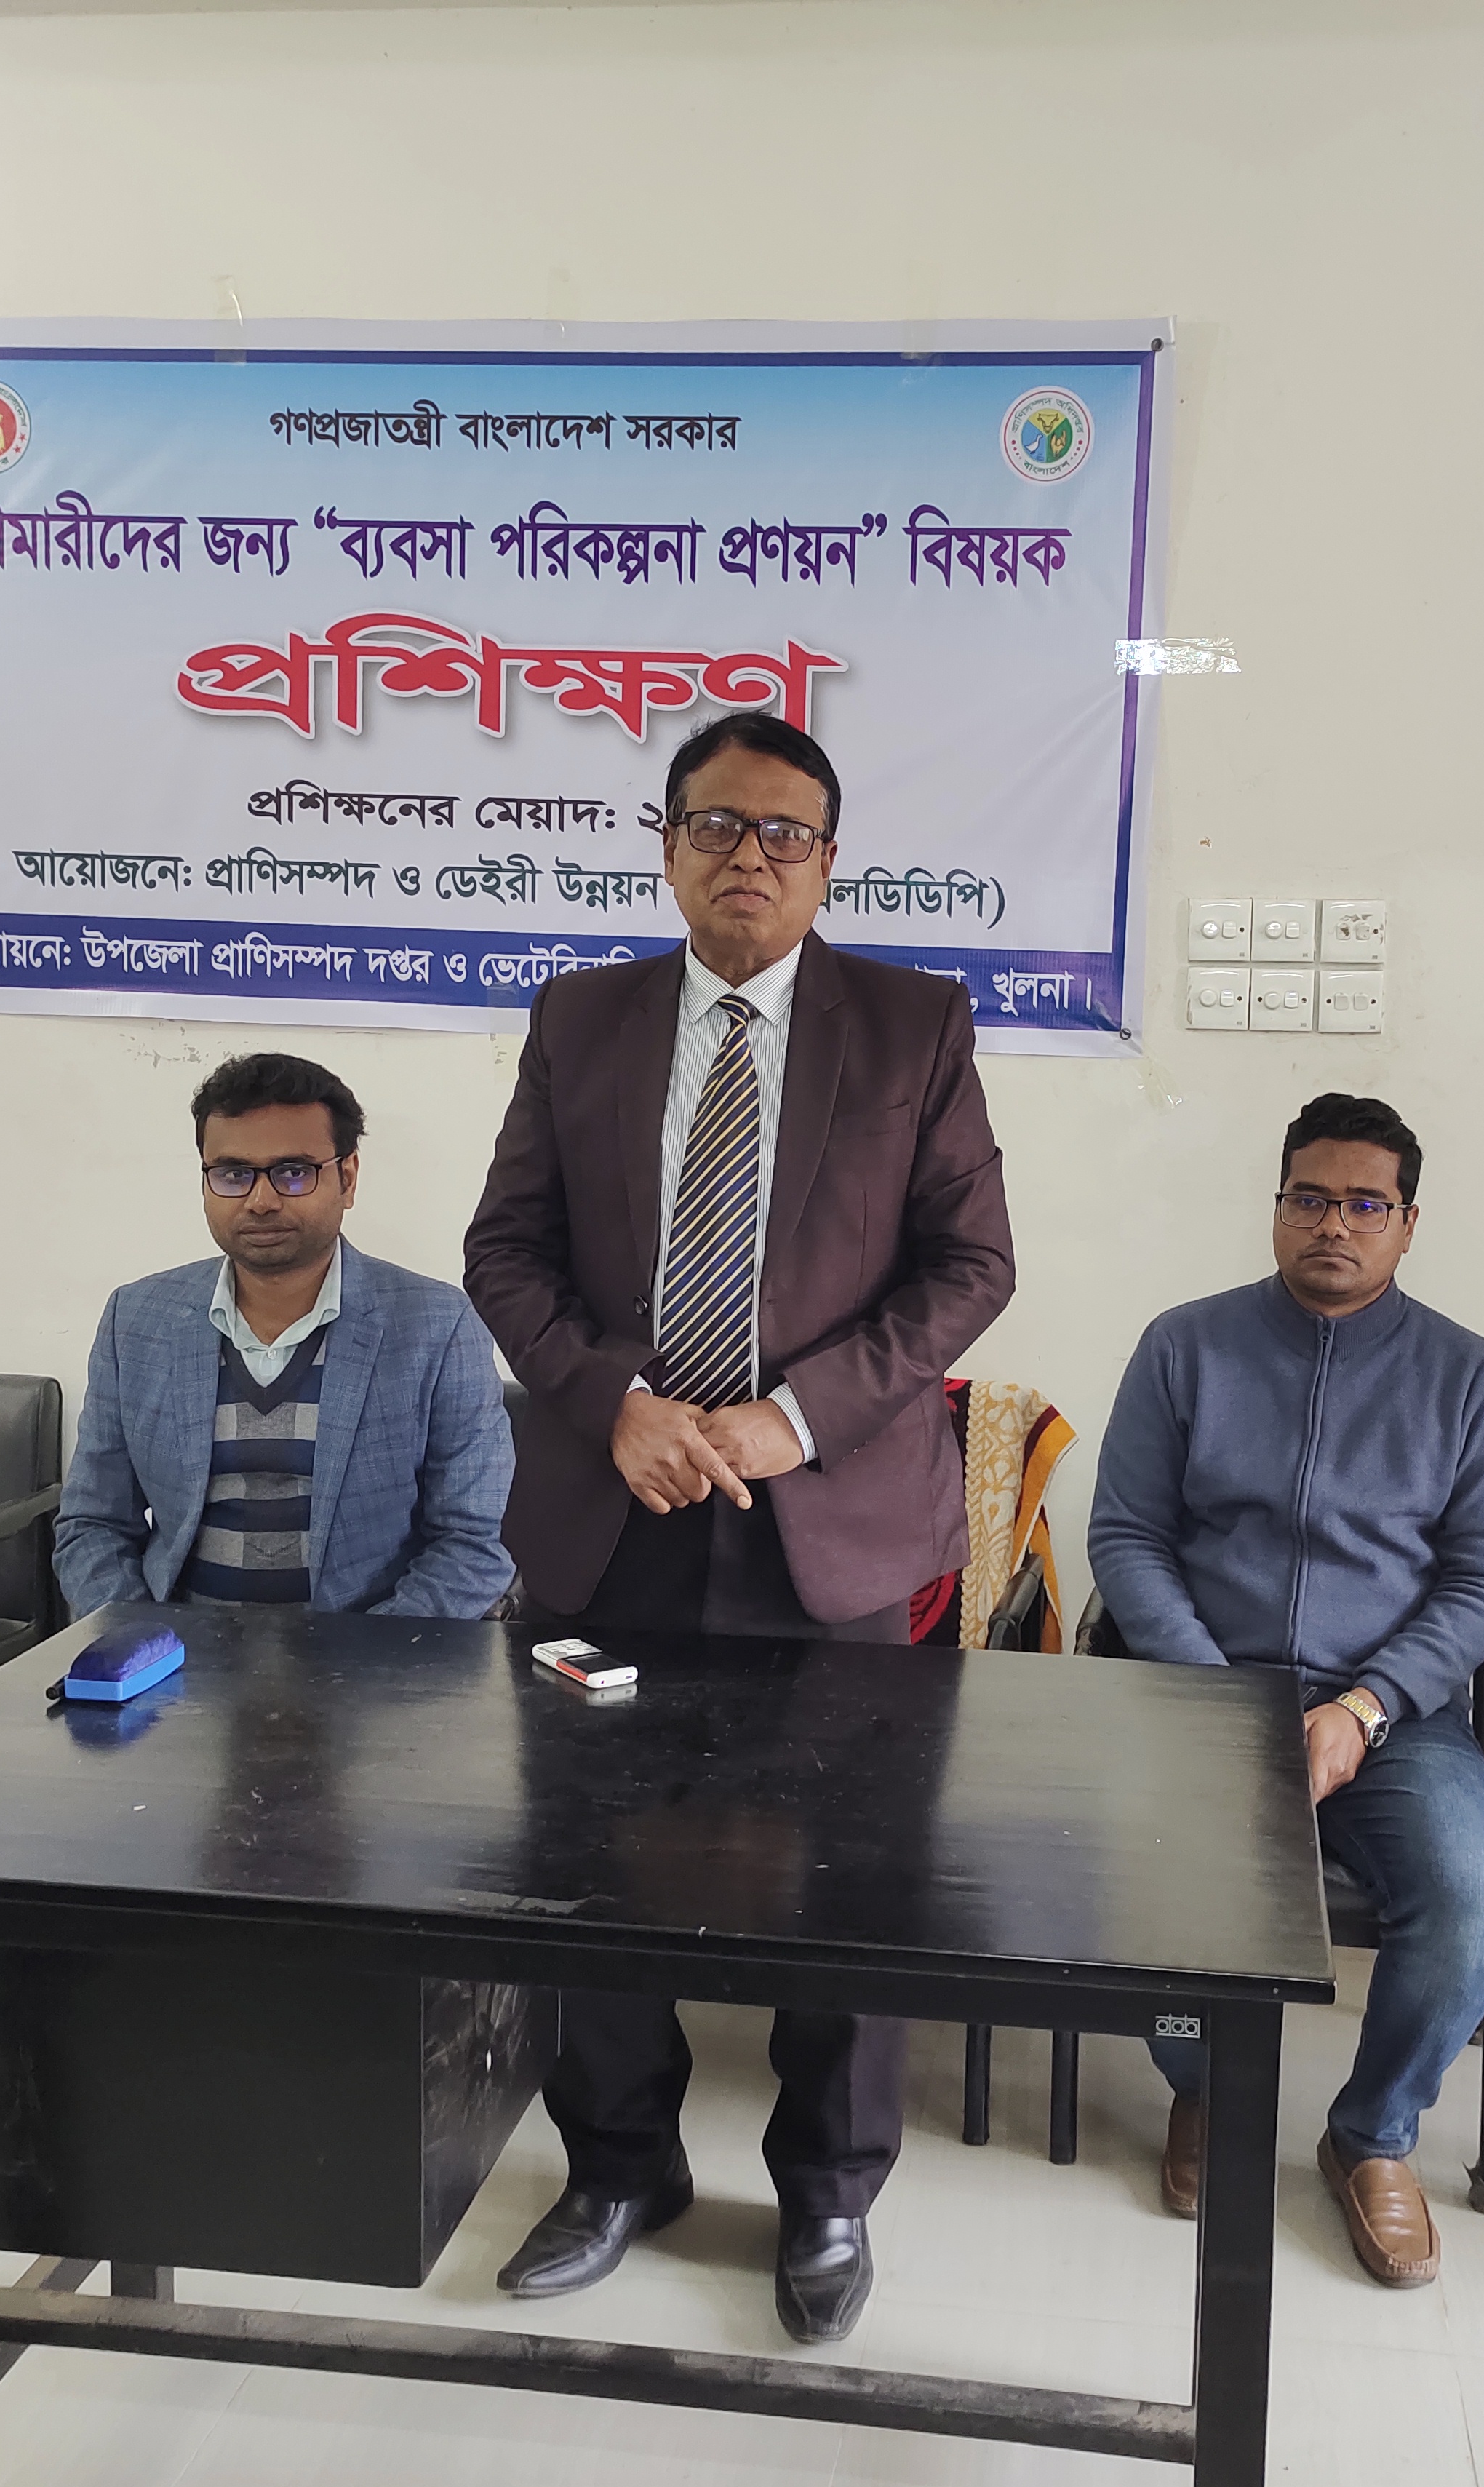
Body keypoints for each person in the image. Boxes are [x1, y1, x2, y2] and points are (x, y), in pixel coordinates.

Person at [462, 708, 1014, 2344]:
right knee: (588, 1871)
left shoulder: (912, 1026)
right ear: (666, 844)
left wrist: (797, 1417)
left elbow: (971, 1267)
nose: (749, 857)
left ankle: (828, 2194)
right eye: (715, 824)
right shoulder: (581, 1018)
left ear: (830, 863)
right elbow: (506, 1252)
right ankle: (618, 2167)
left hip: (827, 1527)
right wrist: (610, 1402)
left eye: (785, 833)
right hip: (614, 1512)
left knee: (847, 1885)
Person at [1088, 1093, 1484, 2289]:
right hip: (1206, 1698)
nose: (1333, 1224)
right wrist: (1214, 1695)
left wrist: (1364, 1708)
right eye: (1310, 1198)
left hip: (1391, 1719)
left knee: (1469, 1902)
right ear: (1278, 1205)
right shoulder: (1184, 1347)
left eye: (1365, 1205)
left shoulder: (1471, 1379)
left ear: (1407, 1222)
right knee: (1149, 1871)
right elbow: (1126, 1535)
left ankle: (1372, 2135)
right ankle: (1207, 2089)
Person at [54, 1051, 514, 1620]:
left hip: (371, 1656)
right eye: (233, 1174)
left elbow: (469, 1548)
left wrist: (364, 1660)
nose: (261, 1200)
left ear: (347, 1178)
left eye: (294, 1172)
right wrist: (142, 1647)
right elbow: (93, 1526)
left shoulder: (437, 1327)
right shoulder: (137, 1321)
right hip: (176, 1658)